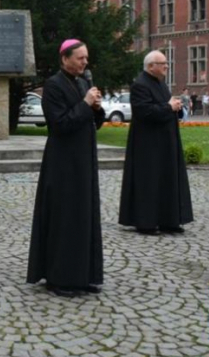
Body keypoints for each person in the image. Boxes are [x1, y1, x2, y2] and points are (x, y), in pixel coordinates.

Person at [27, 39, 105, 298]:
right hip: (62, 163)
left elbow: (94, 122)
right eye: (80, 58)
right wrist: (84, 104)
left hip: (83, 160)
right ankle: (60, 277)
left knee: (83, 216)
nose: (85, 62)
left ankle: (84, 274)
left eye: (86, 58)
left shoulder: (83, 82)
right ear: (65, 58)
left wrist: (96, 108)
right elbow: (59, 125)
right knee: (65, 218)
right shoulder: (53, 85)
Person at [118, 50, 194, 235]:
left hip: (166, 141)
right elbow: (144, 112)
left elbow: (162, 105)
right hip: (148, 144)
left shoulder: (161, 83)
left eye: (166, 63)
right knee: (149, 181)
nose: (166, 66)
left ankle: (169, 220)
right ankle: (147, 222)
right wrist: (169, 106)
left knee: (167, 179)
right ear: (151, 66)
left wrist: (172, 106)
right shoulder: (140, 85)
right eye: (163, 63)